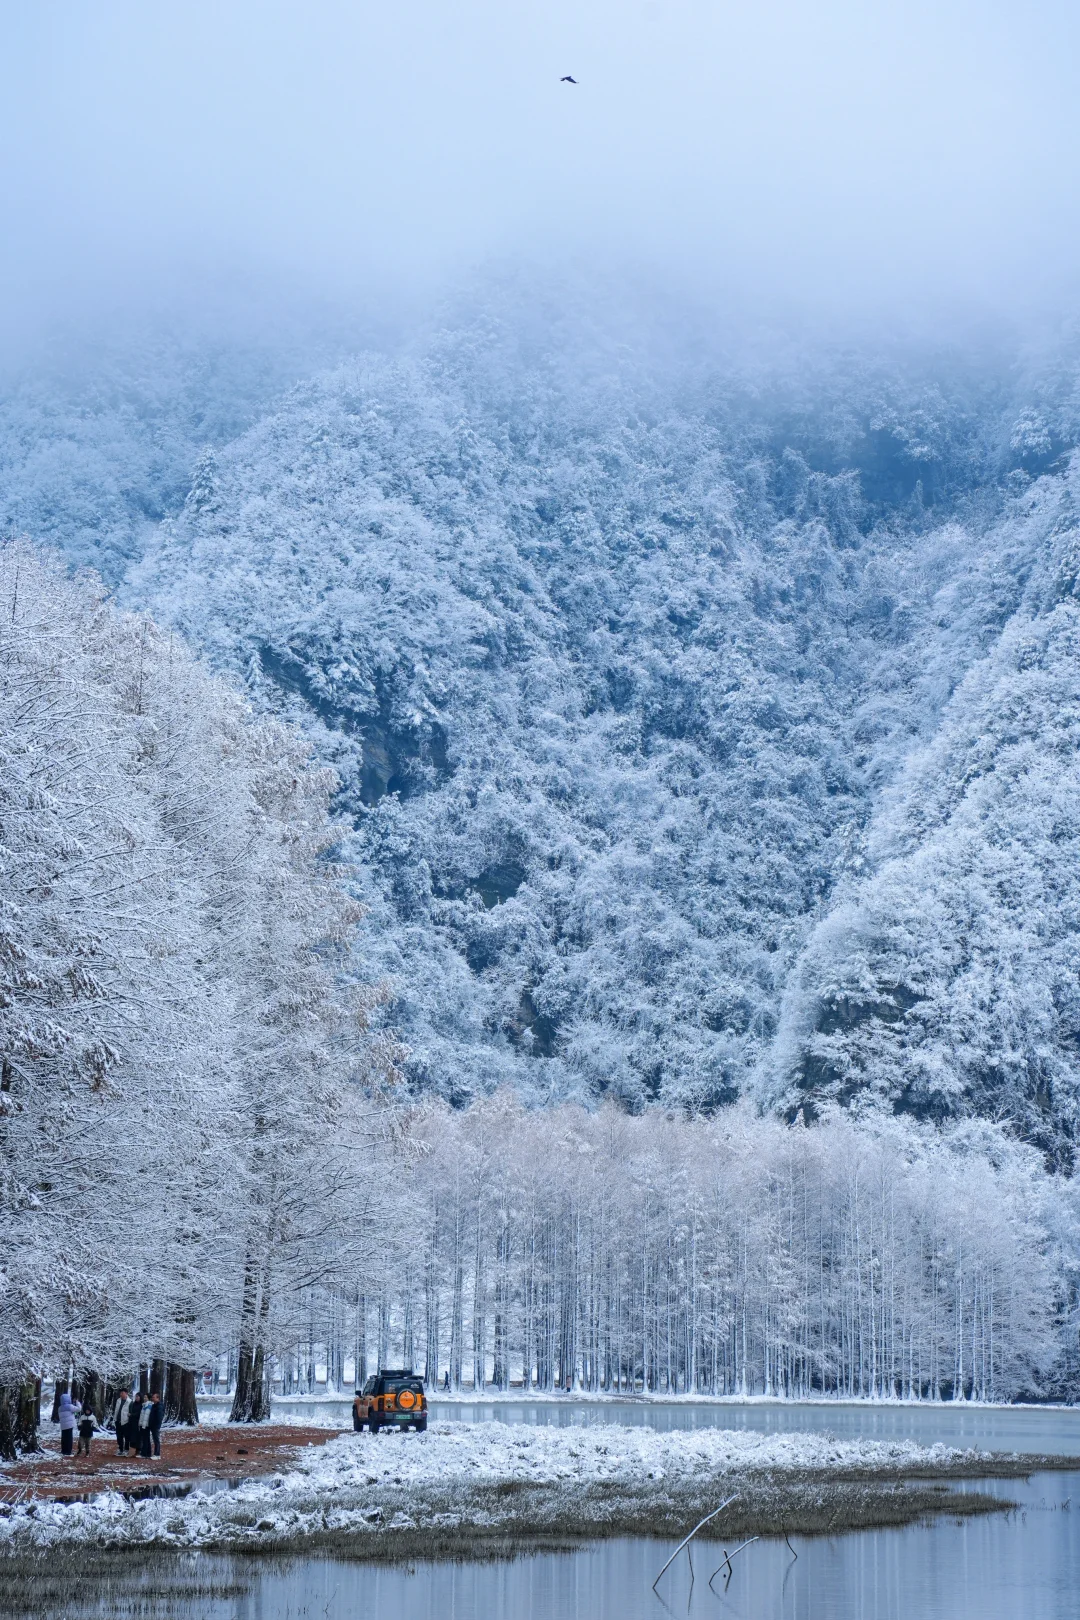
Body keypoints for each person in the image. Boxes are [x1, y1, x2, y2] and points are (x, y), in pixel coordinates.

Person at [57, 1388, 81, 1457]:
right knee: (69, 1438)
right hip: (69, 1425)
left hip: (63, 1425)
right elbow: (79, 1409)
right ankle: (68, 1451)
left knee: (64, 1438)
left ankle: (64, 1450)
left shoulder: (60, 1408)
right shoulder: (70, 1406)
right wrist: (77, 1402)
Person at [112, 1388, 132, 1455]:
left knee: (126, 1436)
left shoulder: (129, 1401)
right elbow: (116, 1410)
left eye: (122, 1393)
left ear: (126, 1393)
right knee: (119, 1436)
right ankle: (120, 1449)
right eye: (120, 1393)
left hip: (125, 1421)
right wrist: (115, 1419)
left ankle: (126, 1449)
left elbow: (130, 1411)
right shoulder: (118, 1400)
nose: (121, 1394)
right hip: (118, 1420)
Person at [126, 1391, 144, 1456]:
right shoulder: (133, 1404)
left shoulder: (142, 1405)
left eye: (137, 1396)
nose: (136, 1398)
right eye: (136, 1396)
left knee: (138, 1437)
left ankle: (139, 1450)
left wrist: (132, 1415)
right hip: (132, 1422)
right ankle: (133, 1450)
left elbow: (139, 1413)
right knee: (132, 1436)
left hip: (138, 1422)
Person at [147, 1390, 163, 1458]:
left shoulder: (159, 1406)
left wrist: (156, 1425)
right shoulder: (154, 1406)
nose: (152, 1398)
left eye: (154, 1397)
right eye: (152, 1397)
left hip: (155, 1426)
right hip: (152, 1425)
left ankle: (157, 1454)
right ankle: (155, 1453)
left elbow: (159, 1417)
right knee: (154, 1439)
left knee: (156, 1440)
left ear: (158, 1398)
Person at [137, 1393, 154, 1458]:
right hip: (143, 1424)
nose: (144, 1399)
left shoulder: (149, 1405)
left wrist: (143, 1425)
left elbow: (146, 1416)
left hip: (145, 1425)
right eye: (144, 1397)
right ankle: (148, 1453)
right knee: (146, 1439)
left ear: (149, 1398)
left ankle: (144, 1453)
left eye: (146, 1397)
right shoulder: (144, 1405)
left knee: (145, 1439)